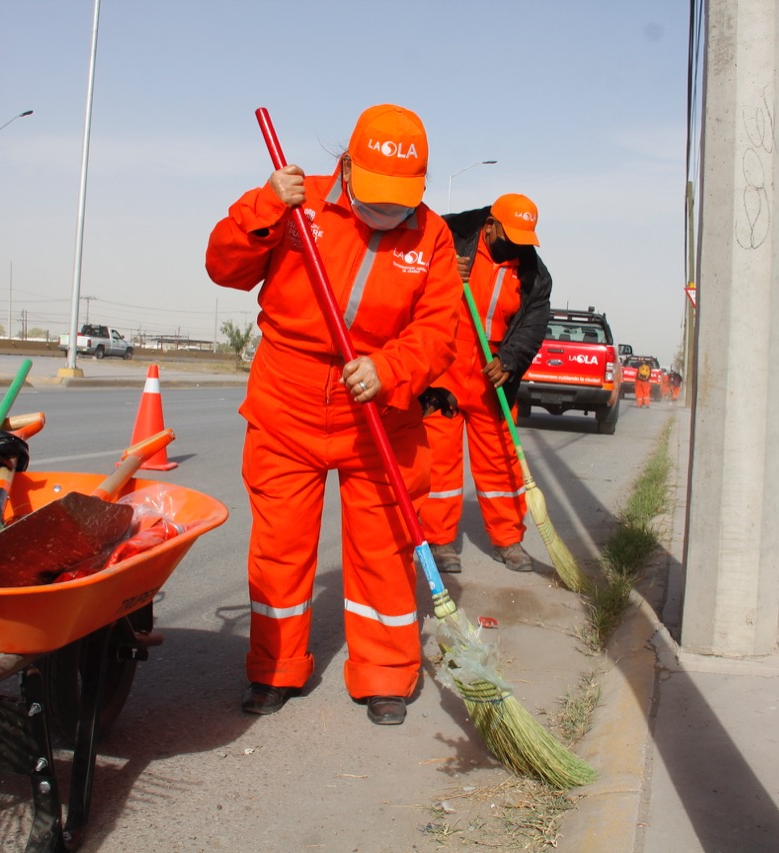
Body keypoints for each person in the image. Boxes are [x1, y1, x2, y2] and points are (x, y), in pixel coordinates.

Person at [205, 104, 459, 725]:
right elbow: (223, 268)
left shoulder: (432, 237)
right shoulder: (297, 203)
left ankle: (385, 676)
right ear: (346, 166)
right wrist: (263, 208)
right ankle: (276, 668)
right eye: (376, 196)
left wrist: (390, 368)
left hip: (378, 410)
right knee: (280, 548)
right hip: (286, 399)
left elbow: (438, 332)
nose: (387, 212)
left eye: (401, 200)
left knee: (383, 550)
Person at [421, 194, 552, 574]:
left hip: (492, 371)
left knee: (500, 459)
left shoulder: (534, 273)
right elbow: (411, 270)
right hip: (445, 364)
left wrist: (509, 361)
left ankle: (508, 539)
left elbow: (533, 325)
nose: (516, 246)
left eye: (524, 239)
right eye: (509, 236)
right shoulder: (450, 234)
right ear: (490, 225)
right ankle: (440, 540)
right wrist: (444, 269)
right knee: (440, 459)